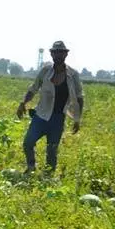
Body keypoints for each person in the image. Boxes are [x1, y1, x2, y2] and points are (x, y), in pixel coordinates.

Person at [16, 40, 84, 173]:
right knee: (28, 143)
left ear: (66, 55)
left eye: (61, 53)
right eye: (55, 53)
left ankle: (48, 176)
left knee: (52, 149)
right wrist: (23, 103)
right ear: (51, 54)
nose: (58, 55)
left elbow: (79, 97)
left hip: (58, 118)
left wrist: (77, 119)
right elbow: (33, 88)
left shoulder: (73, 74)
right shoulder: (46, 70)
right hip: (40, 115)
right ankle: (31, 167)